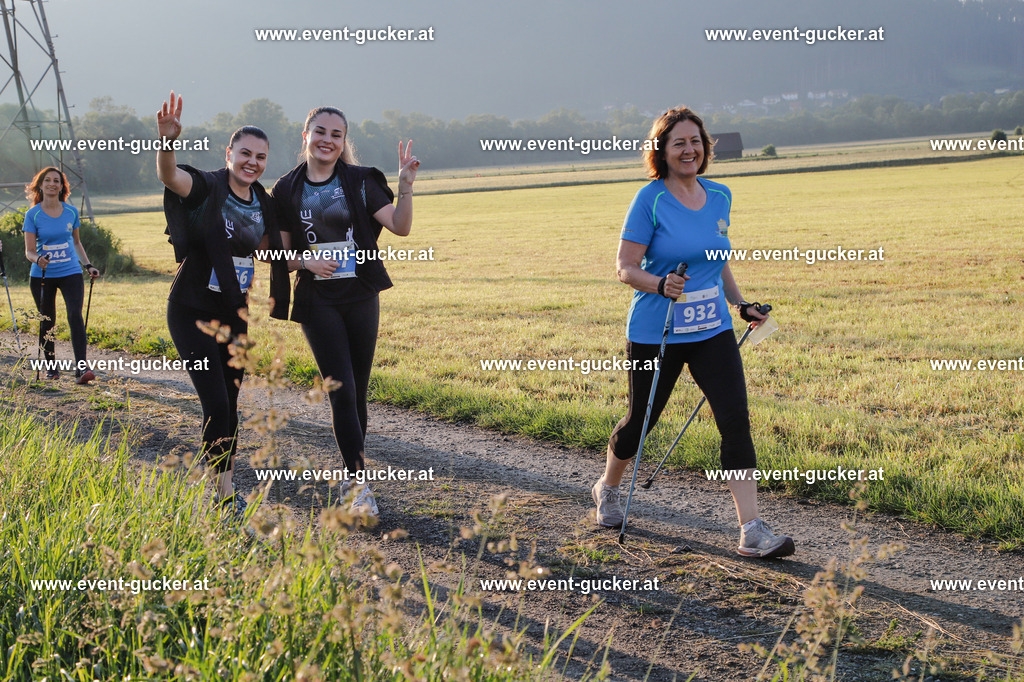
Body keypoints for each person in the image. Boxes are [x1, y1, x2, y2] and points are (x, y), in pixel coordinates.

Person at [592, 106, 794, 559]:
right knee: (640, 423)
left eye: (696, 141)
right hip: (656, 329)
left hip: (711, 330)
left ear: (706, 148)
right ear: (661, 151)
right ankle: (607, 488)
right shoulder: (651, 199)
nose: (689, 149)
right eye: (679, 142)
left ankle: (752, 530)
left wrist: (741, 304)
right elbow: (624, 268)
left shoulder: (720, 195)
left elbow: (716, 260)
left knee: (734, 421)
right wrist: (660, 283)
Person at [272, 106, 419, 519]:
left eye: (336, 134)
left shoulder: (359, 180)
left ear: (343, 142)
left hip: (360, 296)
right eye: (320, 131)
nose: (328, 140)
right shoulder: (286, 189)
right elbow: (275, 254)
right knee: (341, 389)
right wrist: (305, 262)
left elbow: (400, 227)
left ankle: (356, 477)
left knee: (358, 391)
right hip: (317, 302)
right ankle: (359, 486)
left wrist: (405, 185)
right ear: (306, 134)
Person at [156, 91, 290, 518]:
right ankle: (224, 494)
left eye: (261, 157)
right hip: (191, 310)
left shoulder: (262, 203)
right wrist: (167, 142)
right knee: (215, 402)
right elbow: (170, 178)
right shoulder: (209, 186)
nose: (252, 162)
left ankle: (224, 486)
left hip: (234, 314)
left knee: (231, 404)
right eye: (245, 153)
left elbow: (271, 252)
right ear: (228, 152)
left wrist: (312, 258)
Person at [22, 167, 100, 384]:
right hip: (42, 274)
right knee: (47, 321)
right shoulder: (33, 214)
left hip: (70, 272)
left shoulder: (71, 212)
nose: (52, 184)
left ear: (61, 186)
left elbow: (76, 242)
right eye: (47, 180)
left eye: (56, 180)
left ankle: (81, 369)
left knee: (75, 315)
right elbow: (29, 251)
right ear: (40, 185)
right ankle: (51, 368)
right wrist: (38, 259)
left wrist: (88, 265)